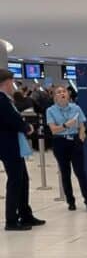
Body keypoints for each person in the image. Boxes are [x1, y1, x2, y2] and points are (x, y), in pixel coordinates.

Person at [0, 69, 44, 231]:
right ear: (6, 82)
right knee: (15, 182)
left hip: (13, 146)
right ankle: (11, 220)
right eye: (12, 82)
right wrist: (26, 127)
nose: (13, 85)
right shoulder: (1, 100)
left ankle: (25, 215)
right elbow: (12, 120)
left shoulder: (6, 99)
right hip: (8, 146)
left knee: (23, 180)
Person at [46, 84, 87, 212]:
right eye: (58, 92)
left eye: (64, 91)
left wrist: (81, 137)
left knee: (80, 172)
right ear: (55, 97)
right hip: (60, 142)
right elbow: (53, 130)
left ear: (68, 94)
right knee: (65, 172)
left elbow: (82, 125)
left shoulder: (76, 108)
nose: (62, 93)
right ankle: (70, 201)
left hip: (75, 141)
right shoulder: (50, 110)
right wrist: (66, 125)